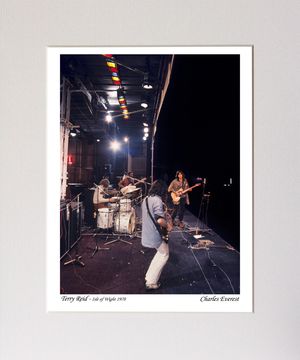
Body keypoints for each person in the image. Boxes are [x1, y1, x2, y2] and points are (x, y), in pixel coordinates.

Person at [141, 180, 173, 290]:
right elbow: (159, 221)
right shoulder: (157, 200)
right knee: (165, 254)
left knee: (160, 253)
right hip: (155, 234)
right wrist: (168, 225)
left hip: (147, 233)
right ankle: (151, 283)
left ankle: (149, 277)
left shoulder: (145, 199)